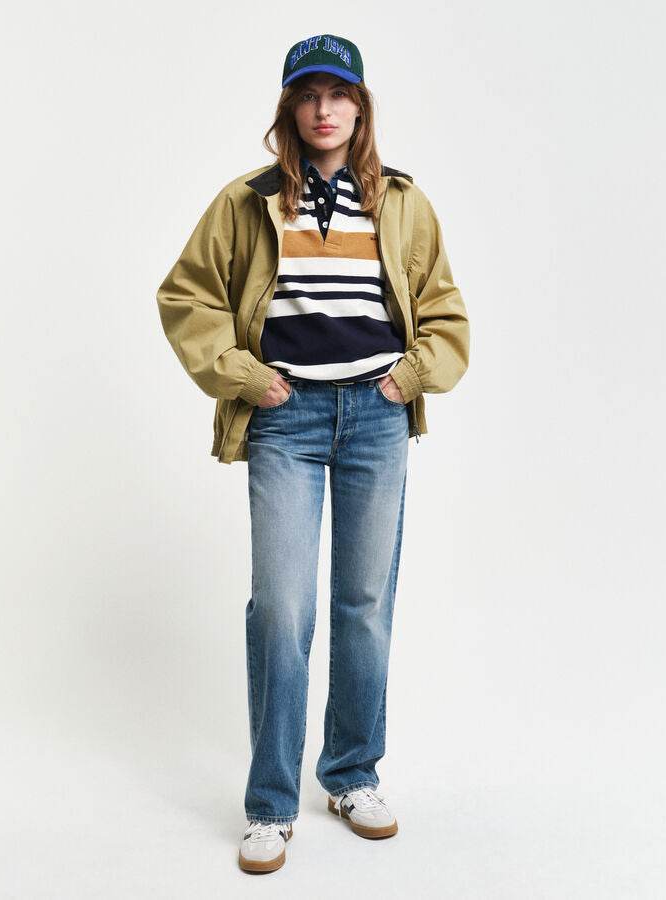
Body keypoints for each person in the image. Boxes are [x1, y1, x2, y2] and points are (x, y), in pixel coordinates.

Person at [155, 33, 470, 874]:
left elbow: (444, 309)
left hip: (375, 416)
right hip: (285, 419)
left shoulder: (402, 202)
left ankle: (352, 774)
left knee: (364, 602)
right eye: (308, 95)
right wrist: (244, 377)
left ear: (360, 109)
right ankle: (270, 804)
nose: (324, 109)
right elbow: (185, 296)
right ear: (289, 108)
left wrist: (410, 377)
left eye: (339, 95)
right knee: (282, 608)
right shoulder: (248, 200)